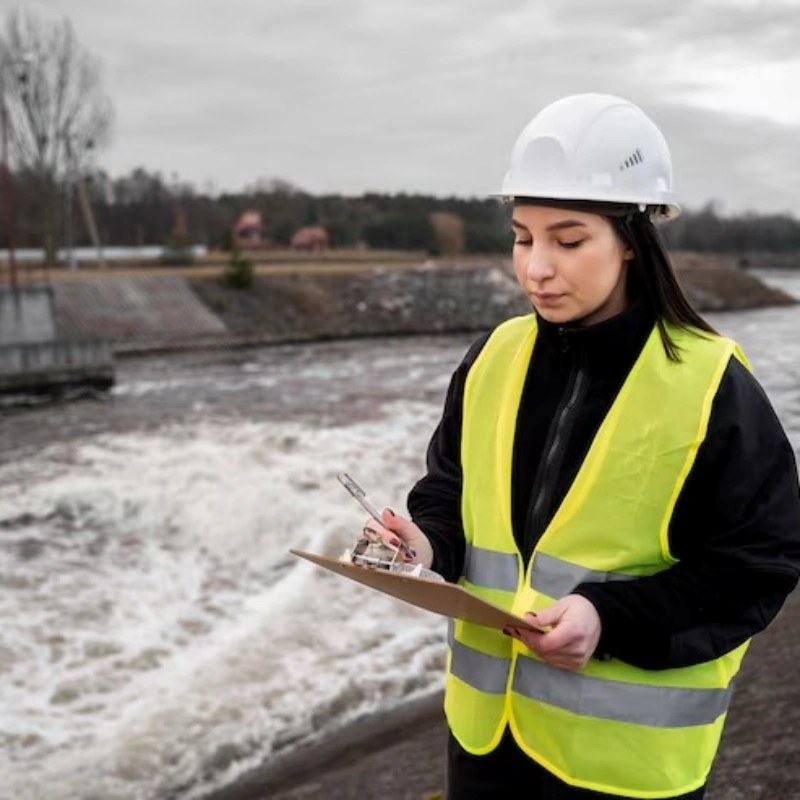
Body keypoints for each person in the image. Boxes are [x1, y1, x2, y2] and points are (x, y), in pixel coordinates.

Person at [366, 93, 800, 799]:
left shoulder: (710, 384)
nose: (537, 268)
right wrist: (427, 544)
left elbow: (758, 564)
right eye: (522, 238)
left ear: (630, 239)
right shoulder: (493, 357)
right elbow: (450, 490)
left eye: (568, 242)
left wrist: (608, 619)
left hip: (623, 769)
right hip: (485, 747)